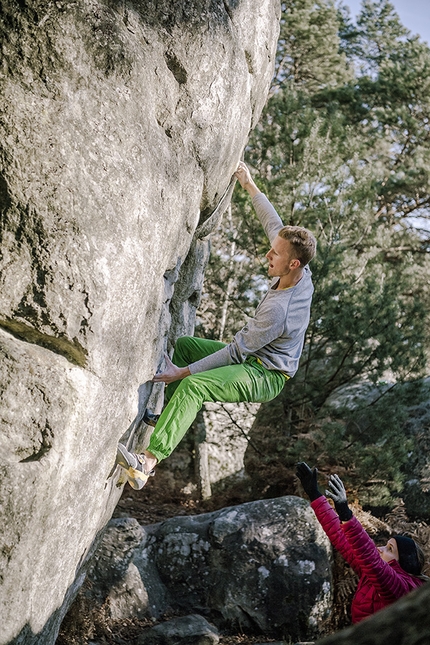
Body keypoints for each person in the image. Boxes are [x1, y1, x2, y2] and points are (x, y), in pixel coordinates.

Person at [115, 162, 317, 490]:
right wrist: (249, 184)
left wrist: (182, 374)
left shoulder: (281, 310)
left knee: (196, 384)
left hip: (266, 374)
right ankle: (161, 418)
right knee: (185, 347)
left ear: (293, 263)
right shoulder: (297, 269)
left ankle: (146, 464)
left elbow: (237, 352)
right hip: (254, 359)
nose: (268, 255)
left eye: (275, 254)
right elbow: (274, 225)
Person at [296, 462, 426, 623]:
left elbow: (371, 558)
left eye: (389, 549)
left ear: (403, 562)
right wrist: (315, 495)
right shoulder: (369, 574)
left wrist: (345, 512)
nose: (380, 548)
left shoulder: (401, 588)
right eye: (386, 545)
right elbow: (340, 536)